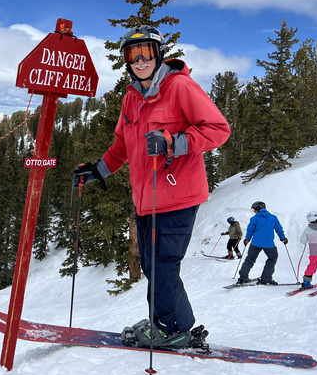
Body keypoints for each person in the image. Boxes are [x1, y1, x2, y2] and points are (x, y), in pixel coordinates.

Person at [72, 25, 230, 349]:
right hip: (146, 199)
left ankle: (171, 329)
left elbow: (218, 129)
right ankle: (168, 321)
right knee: (151, 265)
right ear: (126, 60)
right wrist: (98, 171)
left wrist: (174, 142)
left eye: (146, 52)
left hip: (177, 194)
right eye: (133, 54)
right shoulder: (131, 98)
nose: (140, 60)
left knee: (163, 265)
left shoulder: (180, 87)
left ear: (158, 54)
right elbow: (122, 145)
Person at [236, 201, 288, 285]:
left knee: (250, 259)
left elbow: (250, 230)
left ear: (258, 208)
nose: (254, 211)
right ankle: (266, 278)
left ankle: (242, 278)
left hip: (255, 243)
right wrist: (283, 238)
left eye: (254, 209)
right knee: (272, 258)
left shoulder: (254, 219)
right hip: (268, 244)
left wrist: (247, 239)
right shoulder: (273, 218)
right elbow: (279, 229)